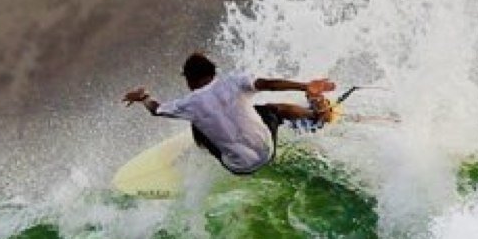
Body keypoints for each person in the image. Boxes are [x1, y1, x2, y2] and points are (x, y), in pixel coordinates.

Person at [123, 52, 337, 176]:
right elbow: (268, 84)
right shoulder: (234, 82)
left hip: (238, 167)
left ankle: (209, 150)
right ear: (214, 73)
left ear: (188, 80)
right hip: (268, 150)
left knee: (197, 124)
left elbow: (156, 110)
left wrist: (143, 98)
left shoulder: (187, 104)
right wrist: (305, 86)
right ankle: (315, 116)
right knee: (272, 109)